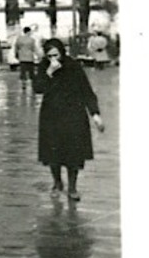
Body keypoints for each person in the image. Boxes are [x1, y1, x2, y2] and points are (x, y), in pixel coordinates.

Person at [34, 37, 105, 201]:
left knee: (74, 153)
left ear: (62, 52)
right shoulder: (44, 67)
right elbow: (38, 88)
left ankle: (72, 187)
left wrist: (95, 114)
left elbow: (86, 91)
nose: (53, 59)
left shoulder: (73, 66)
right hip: (51, 116)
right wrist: (49, 72)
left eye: (56, 55)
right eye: (49, 56)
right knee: (52, 153)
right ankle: (57, 182)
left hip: (74, 115)